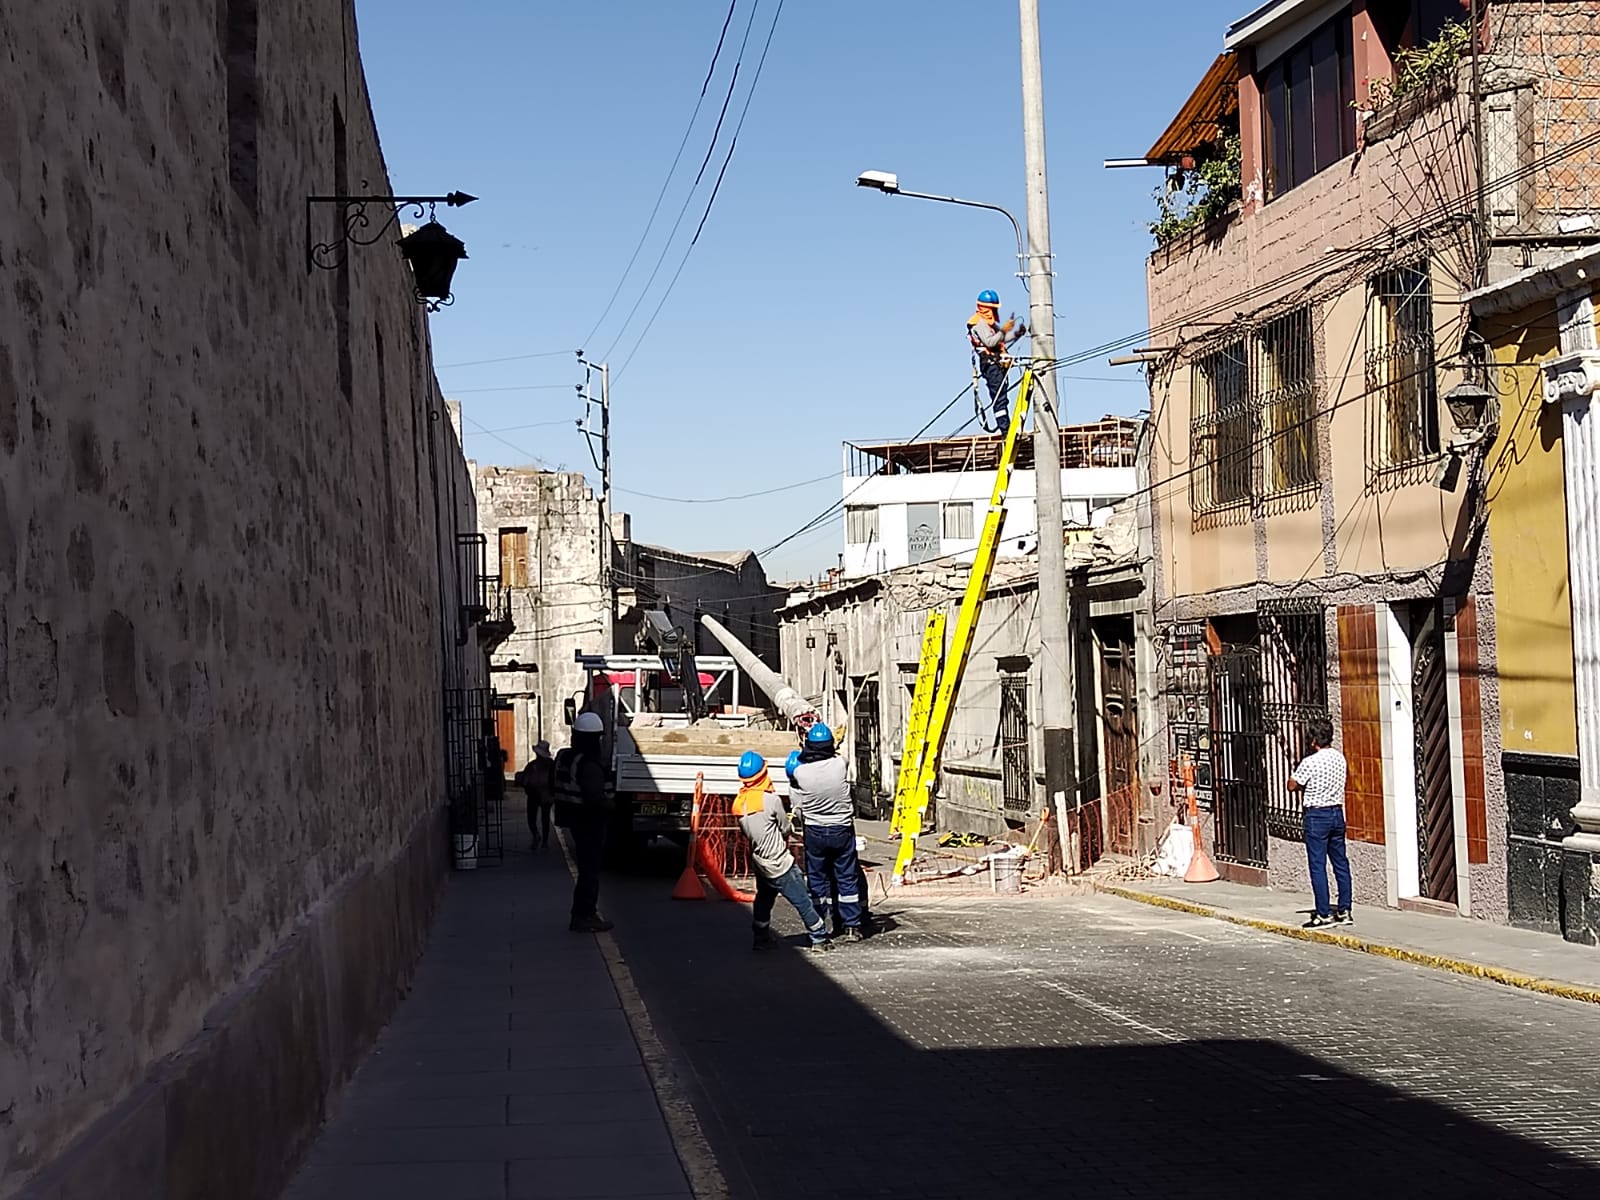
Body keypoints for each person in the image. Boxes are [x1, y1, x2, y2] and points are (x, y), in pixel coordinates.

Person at [734, 751, 832, 955]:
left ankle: (760, 937)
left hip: (760, 862)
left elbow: (748, 832)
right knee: (803, 900)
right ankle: (819, 937)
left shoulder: (739, 803)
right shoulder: (770, 800)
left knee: (764, 899)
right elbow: (786, 829)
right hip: (780, 864)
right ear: (763, 773)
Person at [789, 723, 867, 942]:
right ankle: (852, 926)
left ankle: (821, 924)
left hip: (814, 830)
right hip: (842, 828)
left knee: (817, 879)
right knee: (846, 877)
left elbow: (796, 798)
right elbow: (841, 757)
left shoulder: (800, 772)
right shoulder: (840, 765)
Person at [1287, 714, 1352, 929]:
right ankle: (1345, 909)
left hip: (1317, 815)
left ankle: (1323, 913)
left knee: (1317, 865)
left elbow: (1292, 785)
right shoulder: (1339, 758)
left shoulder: (1310, 762)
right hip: (1336, 812)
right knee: (1340, 862)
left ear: (1314, 740)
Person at [554, 712, 614, 933]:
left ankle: (583, 914)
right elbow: (594, 797)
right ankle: (584, 915)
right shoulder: (589, 764)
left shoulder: (565, 756)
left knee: (586, 869)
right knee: (590, 871)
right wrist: (611, 805)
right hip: (589, 822)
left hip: (574, 820)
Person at [966, 289, 1027, 429]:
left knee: (1003, 399)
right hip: (990, 364)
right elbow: (990, 342)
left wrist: (1017, 334)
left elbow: (1001, 341)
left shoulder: (989, 324)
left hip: (997, 364)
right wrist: (1004, 330)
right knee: (999, 399)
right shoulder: (978, 323)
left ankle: (1007, 428)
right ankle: (1006, 431)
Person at [517, 740, 556, 850]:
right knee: (544, 818)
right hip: (545, 794)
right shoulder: (550, 765)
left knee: (532, 818)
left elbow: (524, 780)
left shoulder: (532, 765)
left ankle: (537, 836)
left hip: (536, 793)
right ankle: (543, 841)